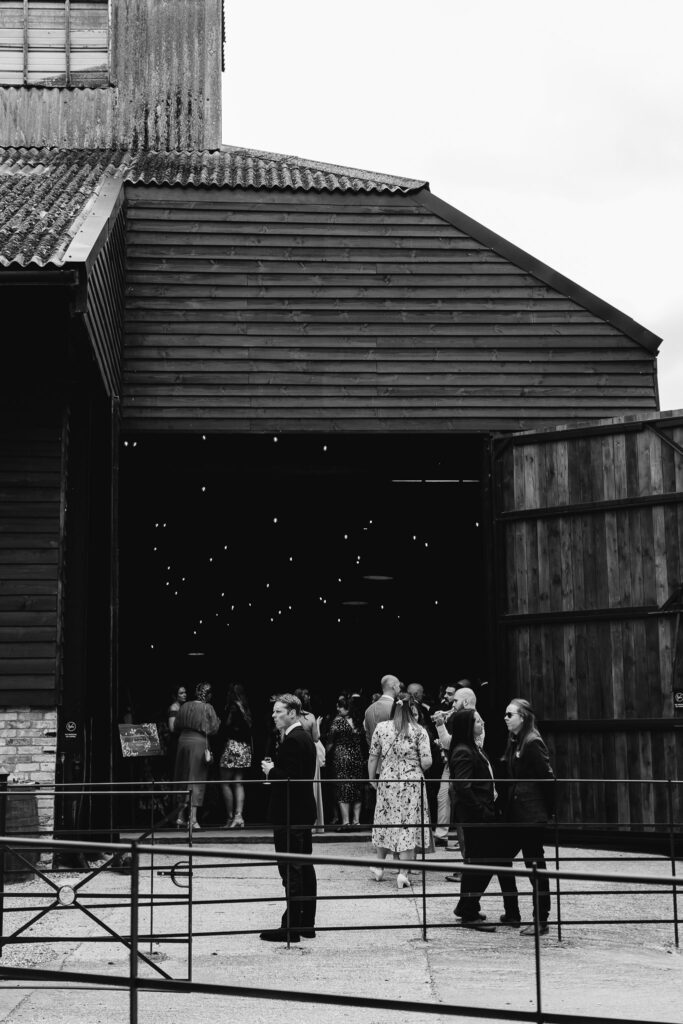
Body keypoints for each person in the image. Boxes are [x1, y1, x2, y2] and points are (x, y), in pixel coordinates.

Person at [449, 708, 520, 931]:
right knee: (480, 863)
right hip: (476, 817)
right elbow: (462, 786)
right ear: (467, 727)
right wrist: (481, 810)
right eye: (477, 721)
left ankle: (467, 907)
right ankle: (468, 912)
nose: (482, 724)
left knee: (483, 861)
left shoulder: (474, 748)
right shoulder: (463, 751)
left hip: (484, 814)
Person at [260, 693, 317, 943]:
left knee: (291, 868)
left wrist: (271, 771)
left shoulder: (294, 739)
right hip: (301, 810)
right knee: (303, 866)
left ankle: (292, 926)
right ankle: (306, 923)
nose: (274, 716)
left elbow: (290, 778)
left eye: (278, 711)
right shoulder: (301, 737)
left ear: (292, 713)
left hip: (290, 812)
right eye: (274, 711)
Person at [367, 695, 432, 888]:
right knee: (408, 824)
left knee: (385, 820)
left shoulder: (381, 728)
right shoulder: (420, 731)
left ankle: (379, 867)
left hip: (387, 780)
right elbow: (427, 762)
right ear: (412, 709)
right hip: (412, 782)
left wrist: (372, 779)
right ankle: (403, 873)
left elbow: (373, 757)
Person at [503, 698, 555, 936]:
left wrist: (548, 811)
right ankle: (513, 911)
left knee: (534, 864)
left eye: (509, 714)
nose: (505, 718)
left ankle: (541, 919)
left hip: (531, 813)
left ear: (522, 717)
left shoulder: (532, 742)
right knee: (504, 857)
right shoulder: (516, 740)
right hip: (519, 812)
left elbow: (547, 778)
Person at [174, 682, 220, 829]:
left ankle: (180, 817)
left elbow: (176, 725)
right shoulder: (208, 707)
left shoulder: (185, 706)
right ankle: (192, 820)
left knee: (183, 776)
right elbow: (213, 729)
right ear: (209, 695)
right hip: (198, 743)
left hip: (183, 741)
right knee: (195, 779)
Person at [328, 694, 366, 830]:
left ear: (346, 708)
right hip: (357, 757)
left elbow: (331, 741)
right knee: (356, 788)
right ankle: (356, 821)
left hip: (342, 758)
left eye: (340, 707)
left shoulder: (337, 721)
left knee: (343, 788)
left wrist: (325, 754)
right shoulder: (358, 720)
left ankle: (345, 822)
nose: (338, 709)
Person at [219, 683, 253, 829]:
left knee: (225, 783)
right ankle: (239, 817)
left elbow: (226, 726)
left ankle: (230, 817)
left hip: (232, 746)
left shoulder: (232, 707)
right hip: (245, 747)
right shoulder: (246, 707)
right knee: (238, 783)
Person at [294, 688, 325, 831]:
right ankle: (313, 824)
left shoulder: (291, 717)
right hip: (310, 754)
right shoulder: (311, 717)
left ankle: (299, 822)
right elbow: (316, 738)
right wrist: (317, 725)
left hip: (295, 754)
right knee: (312, 789)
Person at [363, 674, 401, 749]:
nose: (400, 689)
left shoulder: (368, 710)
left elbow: (368, 737)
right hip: (393, 757)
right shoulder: (397, 708)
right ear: (394, 686)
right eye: (399, 686)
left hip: (375, 757)